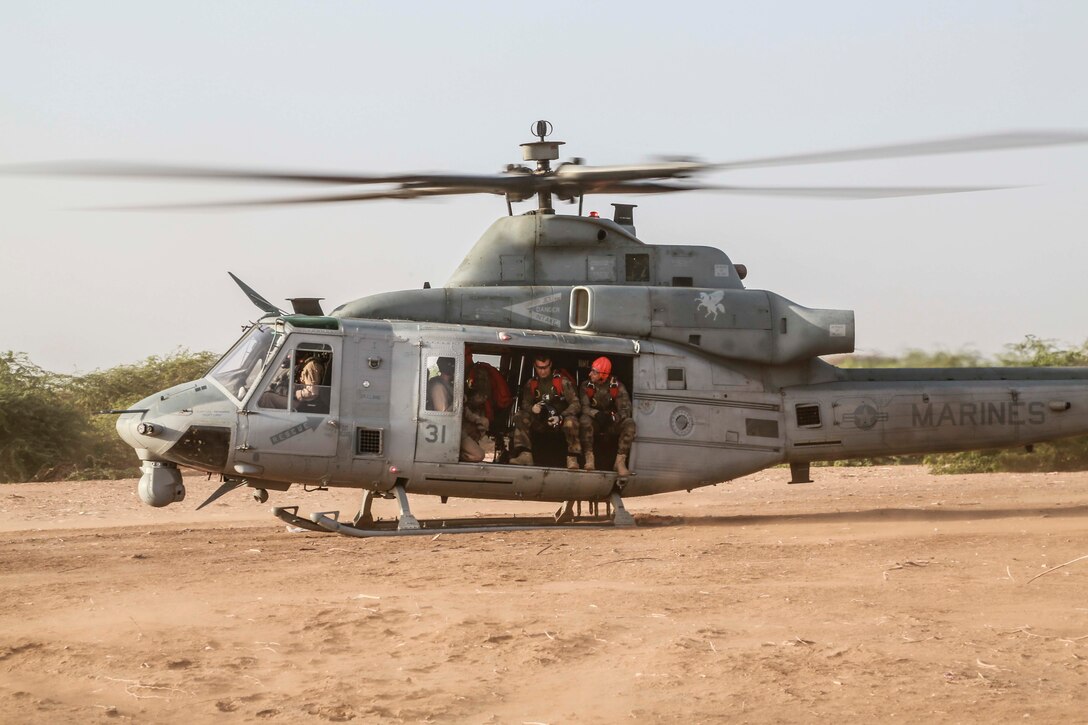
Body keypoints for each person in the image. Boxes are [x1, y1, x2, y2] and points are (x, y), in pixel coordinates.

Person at [510, 354, 581, 469]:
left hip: (559, 421)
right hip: (541, 420)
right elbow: (525, 403)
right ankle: (525, 454)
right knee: (520, 416)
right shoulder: (532, 384)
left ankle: (573, 458)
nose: (542, 371)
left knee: (571, 422)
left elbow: (576, 404)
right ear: (535, 366)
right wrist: (532, 408)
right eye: (539, 368)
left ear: (550, 365)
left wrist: (561, 416)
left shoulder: (562, 382)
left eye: (545, 367)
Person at [578, 356, 636, 476]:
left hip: (611, 422)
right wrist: (596, 414)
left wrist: (615, 417)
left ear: (603, 374)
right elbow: (584, 407)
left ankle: (620, 462)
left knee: (629, 424)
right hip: (596, 421)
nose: (590, 374)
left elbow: (626, 409)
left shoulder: (617, 387)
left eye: (594, 372)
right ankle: (589, 458)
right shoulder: (586, 386)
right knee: (584, 420)